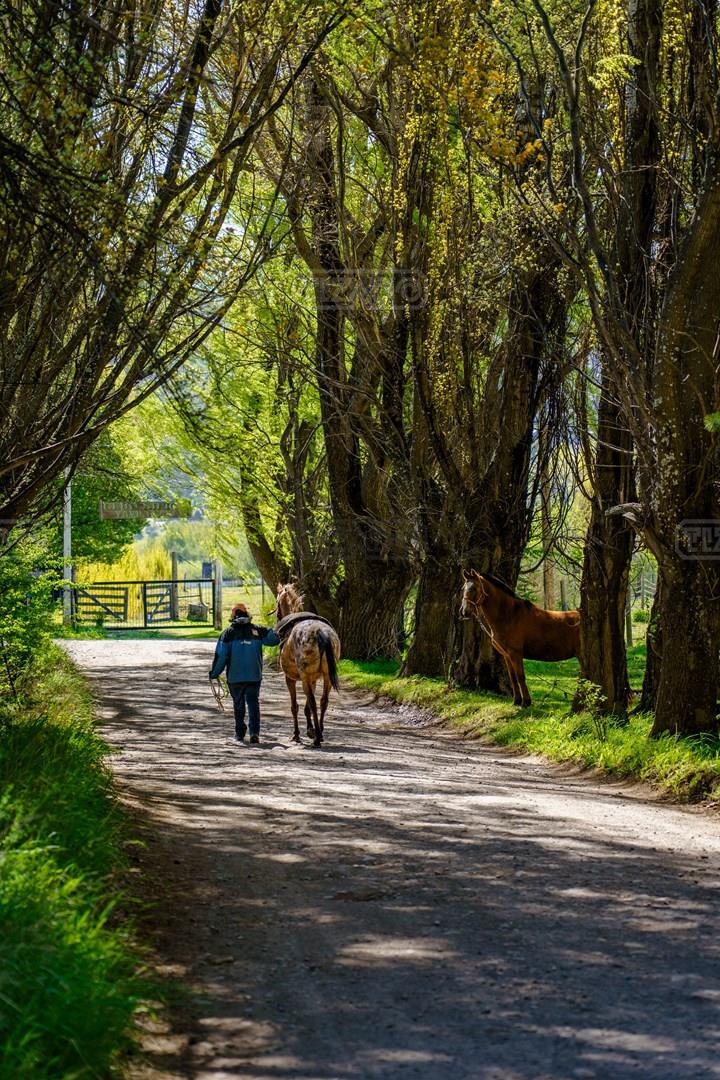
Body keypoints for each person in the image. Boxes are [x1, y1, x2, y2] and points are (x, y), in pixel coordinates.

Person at [209, 603, 280, 744]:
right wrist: (272, 628)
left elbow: (221, 656)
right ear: (247, 614)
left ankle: (240, 733)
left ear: (234, 615)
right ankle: (254, 733)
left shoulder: (227, 634)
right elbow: (274, 639)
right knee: (253, 703)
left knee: (238, 704)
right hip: (254, 675)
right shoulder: (257, 630)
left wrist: (214, 673)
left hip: (235, 677)